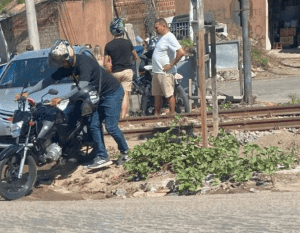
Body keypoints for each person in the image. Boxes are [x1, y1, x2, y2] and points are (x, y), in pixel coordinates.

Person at [18, 39, 130, 168]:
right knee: (94, 125)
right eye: (60, 62)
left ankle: (125, 152)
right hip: (96, 94)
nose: (62, 65)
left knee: (111, 127)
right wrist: (28, 92)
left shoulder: (84, 63)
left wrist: (62, 97)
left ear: (70, 57)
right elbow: (48, 81)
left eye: (63, 62)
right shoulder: (68, 67)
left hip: (111, 93)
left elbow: (81, 87)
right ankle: (102, 156)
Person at [104, 18, 139, 119]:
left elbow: (106, 63)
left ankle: (114, 116)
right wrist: (130, 61)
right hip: (127, 72)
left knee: (114, 95)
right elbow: (135, 56)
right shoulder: (128, 42)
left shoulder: (108, 46)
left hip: (115, 73)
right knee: (126, 95)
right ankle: (123, 117)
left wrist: (110, 71)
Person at [151, 18, 186, 116]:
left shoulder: (170, 37)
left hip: (165, 73)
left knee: (169, 94)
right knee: (157, 95)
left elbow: (181, 52)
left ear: (163, 26)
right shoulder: (160, 37)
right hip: (157, 72)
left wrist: (171, 65)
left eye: (157, 28)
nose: (155, 30)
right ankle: (156, 114)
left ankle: (172, 114)